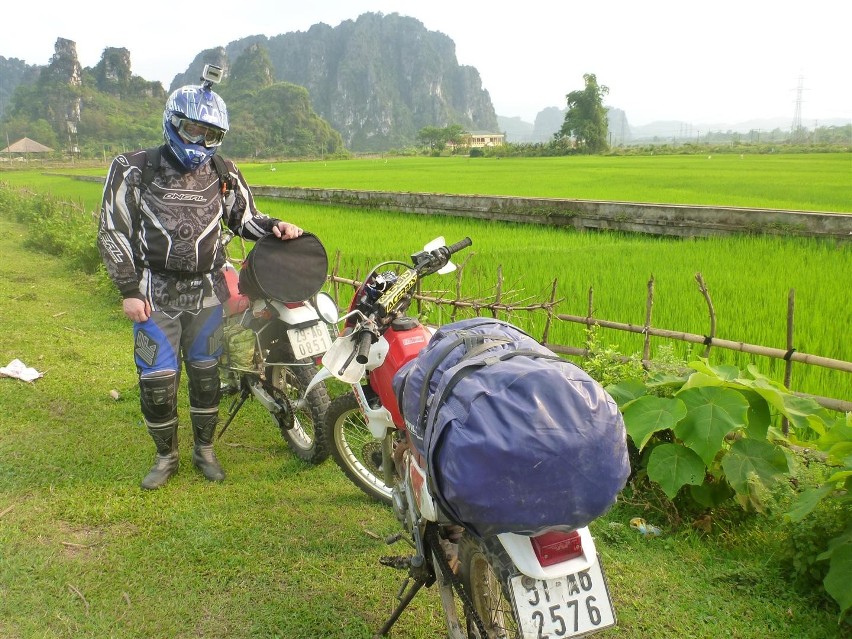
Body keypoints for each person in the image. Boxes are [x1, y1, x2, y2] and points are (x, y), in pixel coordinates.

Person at [97, 77, 302, 490]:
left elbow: (244, 219)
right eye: (193, 129)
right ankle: (165, 455)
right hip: (155, 294)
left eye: (210, 134)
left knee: (207, 376)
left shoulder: (224, 172)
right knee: (157, 380)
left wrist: (276, 227)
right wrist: (129, 290)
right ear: (173, 122)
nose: (200, 140)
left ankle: (205, 450)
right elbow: (111, 231)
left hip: (209, 293)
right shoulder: (134, 168)